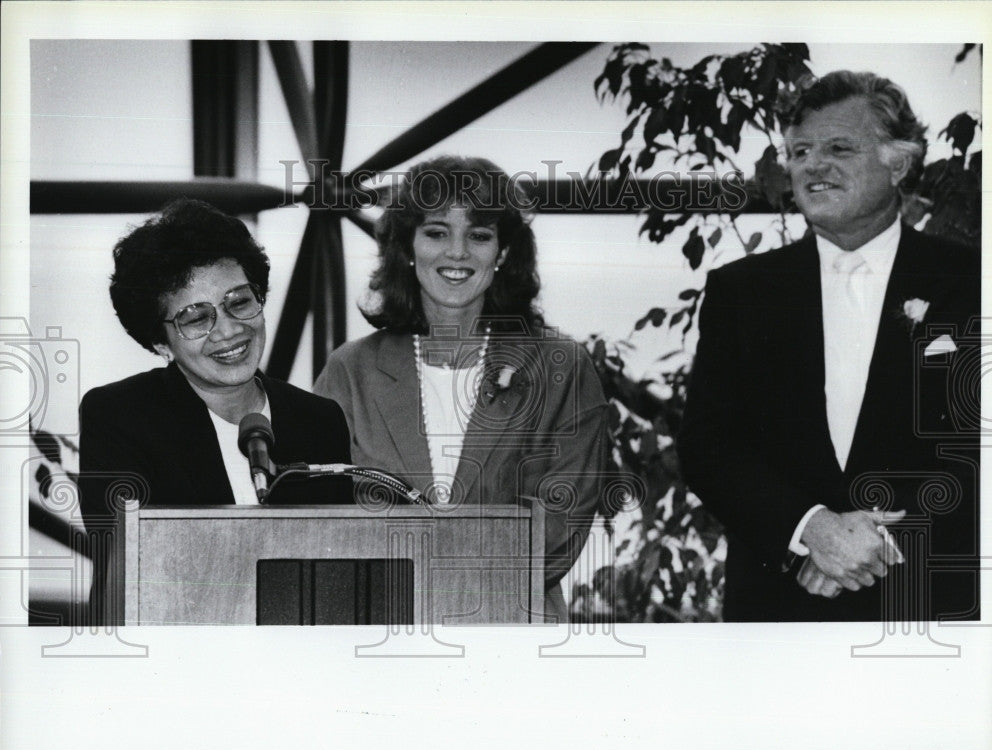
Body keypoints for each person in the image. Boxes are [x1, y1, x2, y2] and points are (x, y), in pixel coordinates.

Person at [677, 71, 979, 622]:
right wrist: (810, 530)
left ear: (899, 162)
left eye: (839, 147)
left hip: (931, 611)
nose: (813, 165)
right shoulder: (739, 291)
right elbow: (707, 445)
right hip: (777, 611)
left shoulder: (975, 282)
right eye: (800, 151)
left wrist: (873, 546)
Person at [313, 155, 610, 621]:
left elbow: (557, 527)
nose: (457, 252)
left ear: (504, 252)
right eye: (436, 232)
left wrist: (443, 588)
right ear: (407, 247)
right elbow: (322, 520)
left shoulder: (562, 370)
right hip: (380, 632)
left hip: (514, 631)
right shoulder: (350, 371)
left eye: (479, 235)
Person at [79, 199, 353, 622]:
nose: (227, 331)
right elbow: (135, 564)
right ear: (159, 342)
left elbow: (338, 568)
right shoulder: (119, 416)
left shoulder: (319, 419)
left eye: (238, 302)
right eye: (195, 318)